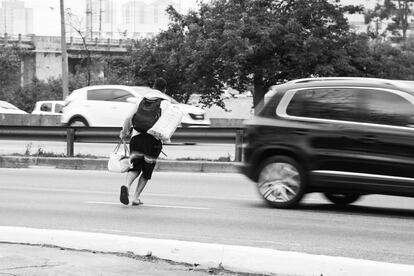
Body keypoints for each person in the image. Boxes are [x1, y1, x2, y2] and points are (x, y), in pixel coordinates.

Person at [119, 77, 171, 206]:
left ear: (153, 85)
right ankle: (136, 198)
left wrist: (124, 132)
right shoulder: (166, 102)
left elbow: (128, 118)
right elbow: (167, 124)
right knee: (146, 172)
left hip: (136, 137)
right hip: (152, 141)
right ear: (164, 89)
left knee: (135, 167)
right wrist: (166, 138)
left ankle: (126, 185)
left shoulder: (142, 99)